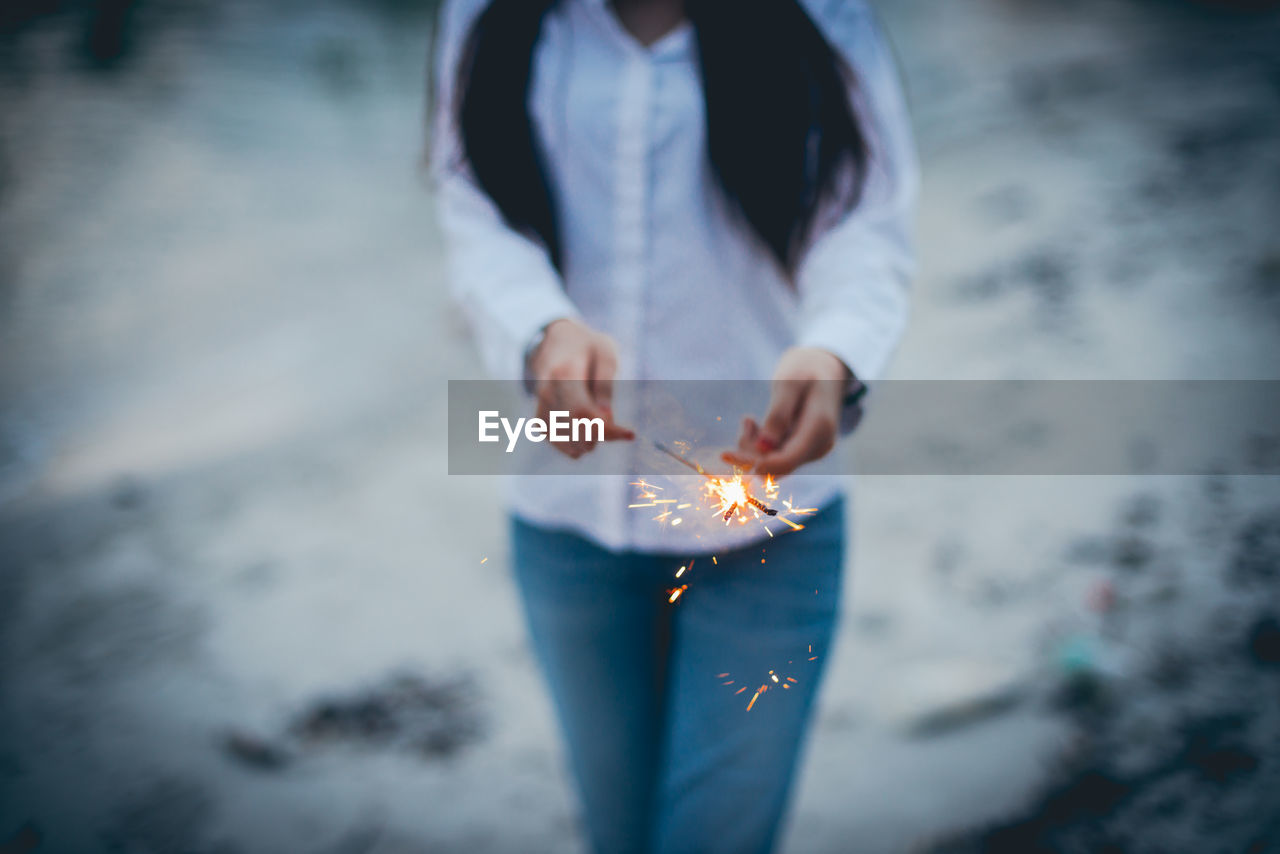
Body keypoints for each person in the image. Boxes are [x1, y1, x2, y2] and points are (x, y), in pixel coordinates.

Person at [430, 0, 917, 851]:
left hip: (767, 514)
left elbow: (866, 214)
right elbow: (471, 203)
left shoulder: (822, 13)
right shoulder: (483, 12)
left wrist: (835, 351)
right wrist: (541, 329)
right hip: (566, 517)